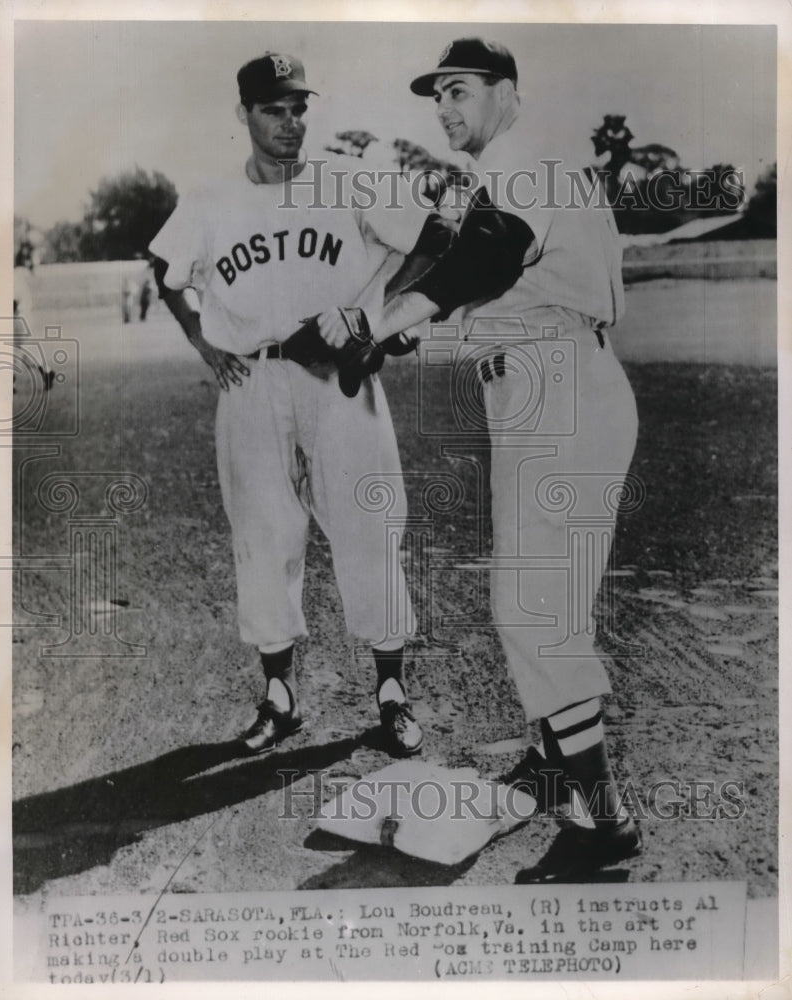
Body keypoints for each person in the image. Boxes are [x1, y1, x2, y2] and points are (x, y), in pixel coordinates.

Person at [316, 38, 642, 881]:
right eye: (437, 97)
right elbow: (508, 287)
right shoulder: (533, 163)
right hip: (554, 380)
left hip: (558, 391)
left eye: (459, 90)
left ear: (505, 90)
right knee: (540, 598)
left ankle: (603, 819)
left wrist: (373, 321)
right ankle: (549, 762)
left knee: (533, 609)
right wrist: (413, 328)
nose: (445, 108)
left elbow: (485, 253)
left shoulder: (524, 157)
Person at [148, 52, 430, 758]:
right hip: (251, 381)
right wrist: (201, 341)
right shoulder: (211, 200)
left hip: (338, 378)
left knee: (369, 526)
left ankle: (391, 692)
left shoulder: (347, 182)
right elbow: (164, 268)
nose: (290, 121)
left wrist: (380, 321)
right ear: (243, 113)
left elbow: (435, 244)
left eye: (299, 107)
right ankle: (278, 695)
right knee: (263, 537)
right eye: (274, 108)